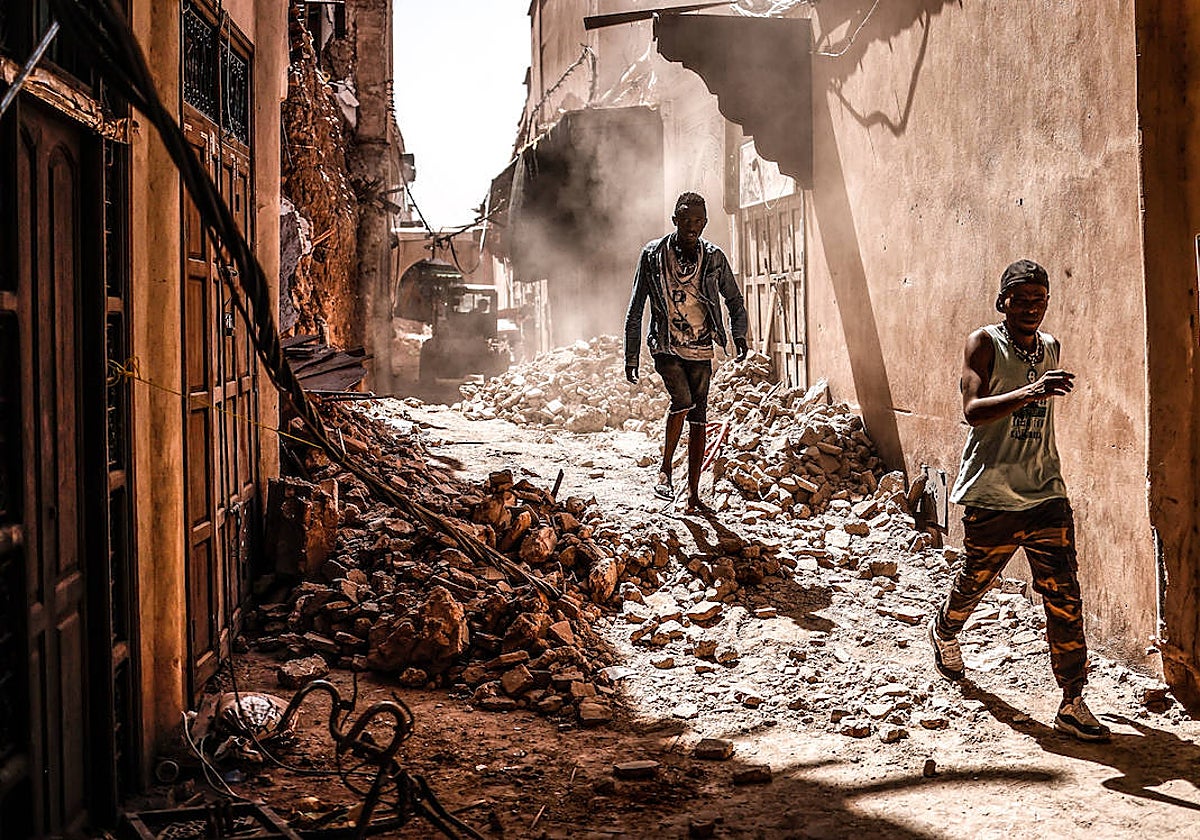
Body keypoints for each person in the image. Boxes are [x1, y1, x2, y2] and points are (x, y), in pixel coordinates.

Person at [929, 259, 1110, 742]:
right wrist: (1031, 392)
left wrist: (1036, 391)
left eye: (1041, 299)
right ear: (1003, 301)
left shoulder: (1050, 347)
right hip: (992, 494)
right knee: (976, 581)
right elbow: (973, 412)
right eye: (1023, 299)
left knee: (1063, 594)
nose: (1032, 308)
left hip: (1046, 491)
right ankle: (946, 629)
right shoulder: (983, 343)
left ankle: (1072, 701)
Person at [624, 192, 748, 511]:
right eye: (685, 219)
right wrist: (631, 355)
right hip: (665, 343)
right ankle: (665, 469)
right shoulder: (652, 255)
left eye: (698, 221)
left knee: (699, 415)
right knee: (682, 399)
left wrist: (739, 334)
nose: (691, 226)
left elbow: (734, 300)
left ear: (704, 223)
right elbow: (636, 307)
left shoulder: (714, 258)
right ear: (674, 219)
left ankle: (693, 494)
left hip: (701, 346)